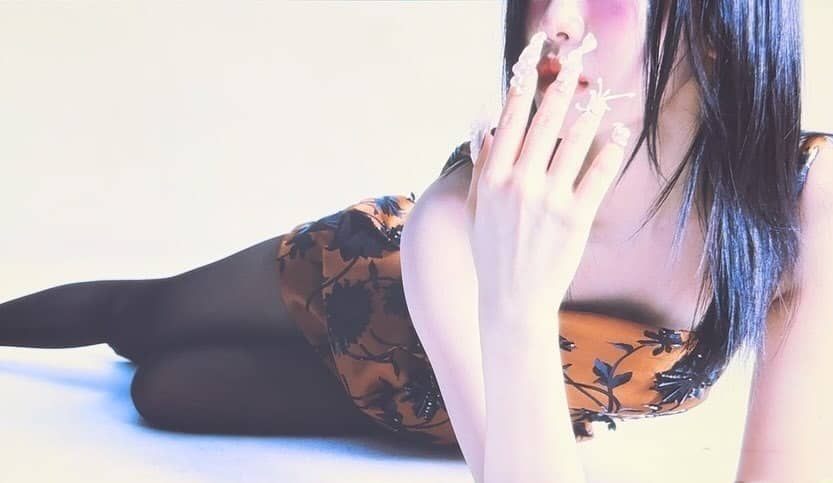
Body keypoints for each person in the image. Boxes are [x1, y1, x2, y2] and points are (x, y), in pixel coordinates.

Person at [2, 1, 832, 481]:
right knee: (142, 317)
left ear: (716, 25)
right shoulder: (452, 218)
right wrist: (509, 289)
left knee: (165, 394)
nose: (554, 21)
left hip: (433, 406)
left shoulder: (801, 203)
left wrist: (520, 339)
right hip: (363, 281)